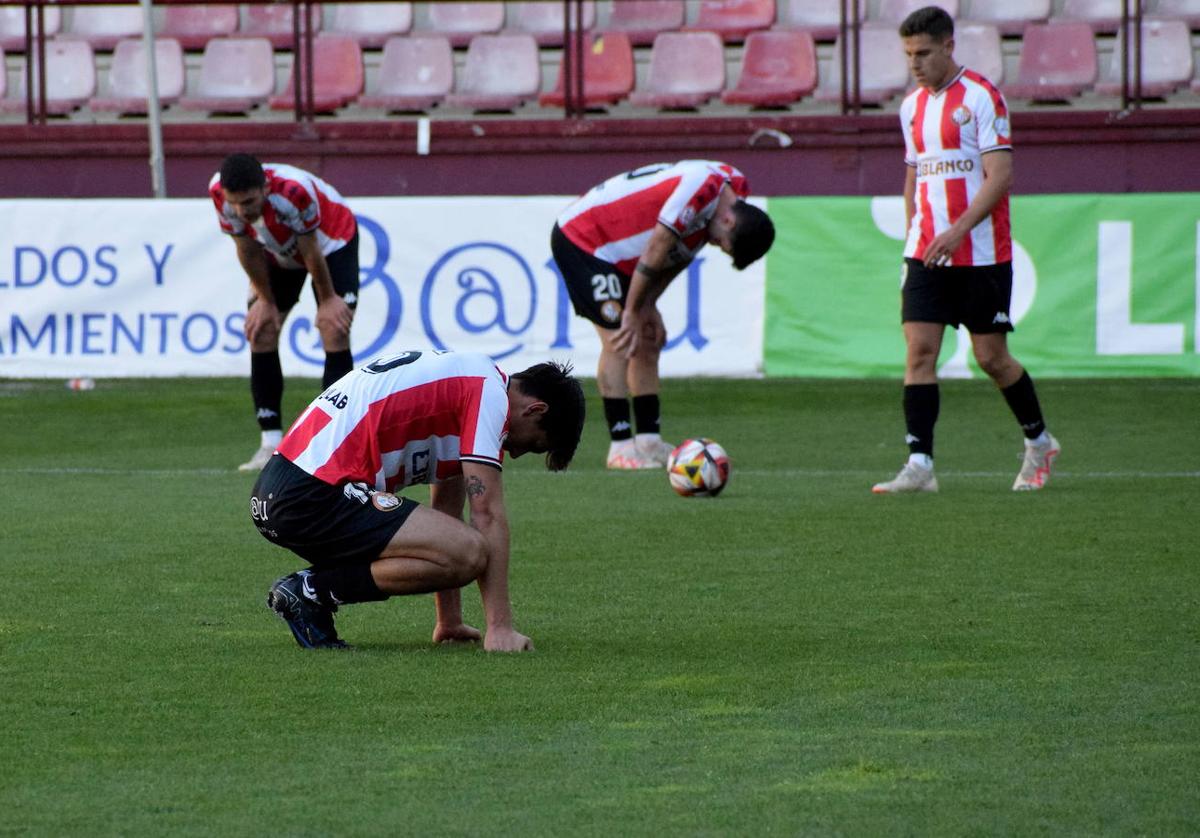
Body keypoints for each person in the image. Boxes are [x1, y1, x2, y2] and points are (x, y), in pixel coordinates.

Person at [250, 349, 586, 652]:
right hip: (312, 493)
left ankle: (313, 592)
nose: (514, 452)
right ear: (535, 409)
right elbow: (487, 516)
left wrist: (449, 621)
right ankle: (310, 590)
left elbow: (447, 514)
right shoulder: (489, 394)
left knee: (459, 548)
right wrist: (500, 630)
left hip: (282, 491)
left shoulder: (468, 384)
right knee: (471, 550)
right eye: (533, 445)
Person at [873, 6, 1061, 494]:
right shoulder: (910, 107)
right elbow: (915, 171)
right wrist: (915, 227)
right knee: (919, 353)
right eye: (908, 54)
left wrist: (957, 230)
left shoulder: (981, 97)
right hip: (926, 252)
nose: (915, 64)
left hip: (979, 253)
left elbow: (1001, 176)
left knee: (992, 358)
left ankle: (1039, 441)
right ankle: (920, 465)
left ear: (949, 46)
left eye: (923, 53)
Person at [551, 160, 775, 470]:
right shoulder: (701, 187)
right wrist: (631, 310)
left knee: (647, 338)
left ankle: (648, 440)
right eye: (721, 243)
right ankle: (620, 446)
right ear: (728, 221)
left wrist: (648, 305)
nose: (715, 244)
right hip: (586, 241)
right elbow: (658, 246)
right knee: (620, 336)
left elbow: (680, 254)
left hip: (626, 256)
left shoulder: (730, 195)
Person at [209, 153, 359, 472]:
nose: (241, 211)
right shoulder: (219, 193)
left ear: (264, 188)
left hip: (330, 244)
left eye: (248, 201)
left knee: (334, 328)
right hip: (276, 250)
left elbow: (311, 251)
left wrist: (329, 298)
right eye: (234, 203)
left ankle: (335, 444)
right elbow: (245, 247)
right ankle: (270, 444)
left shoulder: (294, 192)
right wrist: (265, 299)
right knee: (261, 329)